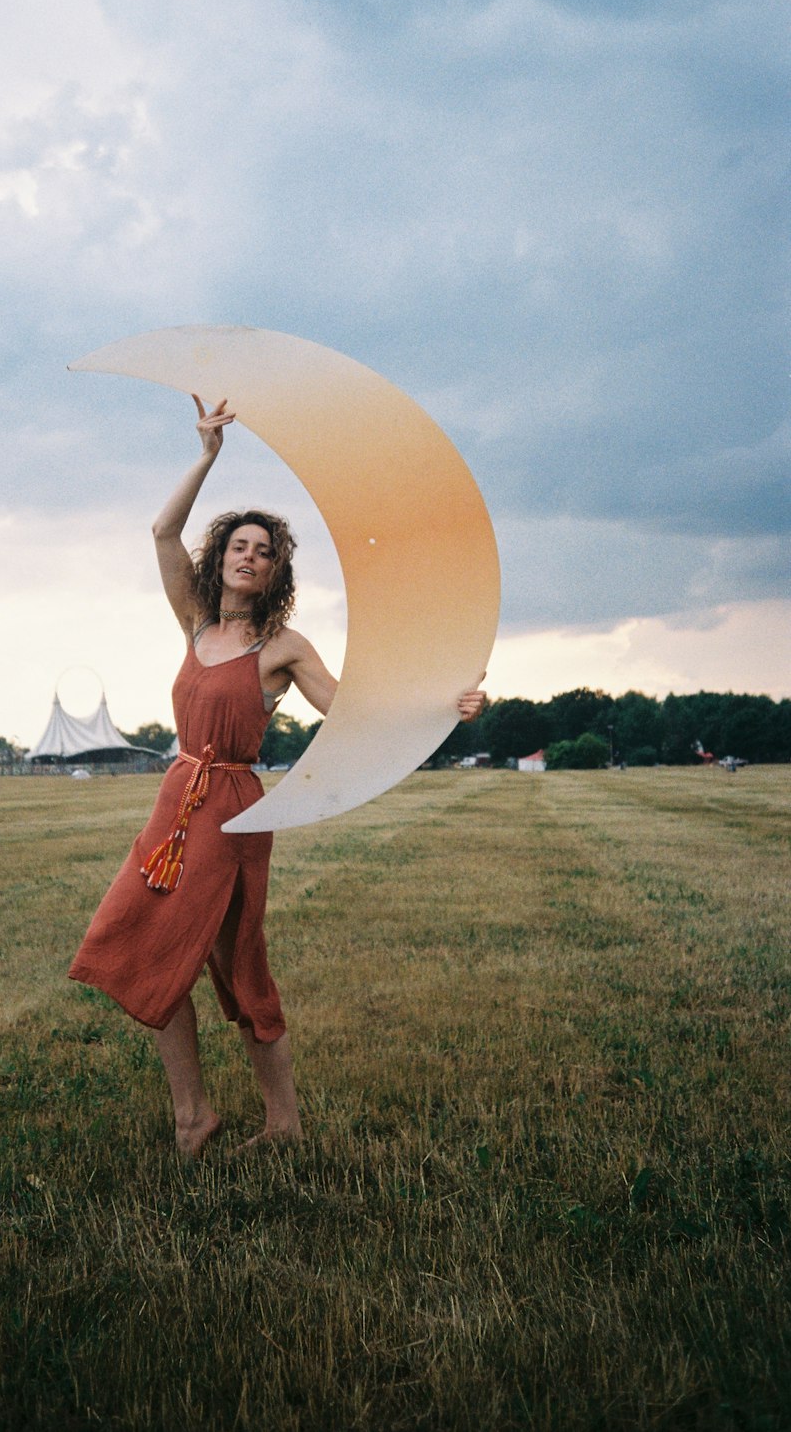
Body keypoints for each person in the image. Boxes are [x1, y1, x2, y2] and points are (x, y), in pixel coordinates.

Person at [69, 396, 486, 1155]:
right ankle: (193, 1115)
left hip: (231, 811)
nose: (248, 553)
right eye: (239, 541)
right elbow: (162, 531)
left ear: (274, 570)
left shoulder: (281, 646)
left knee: (234, 964)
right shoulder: (196, 622)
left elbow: (353, 710)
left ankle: (282, 1122)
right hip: (176, 802)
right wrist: (207, 454)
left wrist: (443, 702)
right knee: (141, 948)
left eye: (264, 548)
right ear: (220, 551)